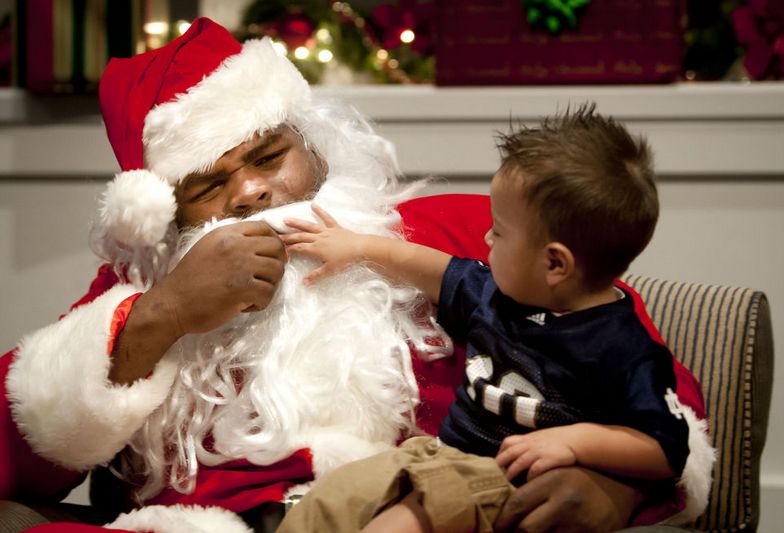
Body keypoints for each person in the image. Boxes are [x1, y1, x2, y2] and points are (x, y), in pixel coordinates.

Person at [0, 18, 713, 533]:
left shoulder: (456, 239)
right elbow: (15, 451)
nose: (250, 193)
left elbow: (641, 372)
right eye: (208, 184)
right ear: (164, 213)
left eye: (268, 156)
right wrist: (161, 317)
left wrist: (611, 486)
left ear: (311, 141)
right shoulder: (134, 302)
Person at [274, 105, 705, 533]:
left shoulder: (623, 347)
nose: (485, 238)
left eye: (498, 232)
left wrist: (574, 443)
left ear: (555, 263)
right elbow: (427, 265)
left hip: (507, 481)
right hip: (438, 456)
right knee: (334, 500)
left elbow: (666, 449)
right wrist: (357, 247)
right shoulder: (495, 293)